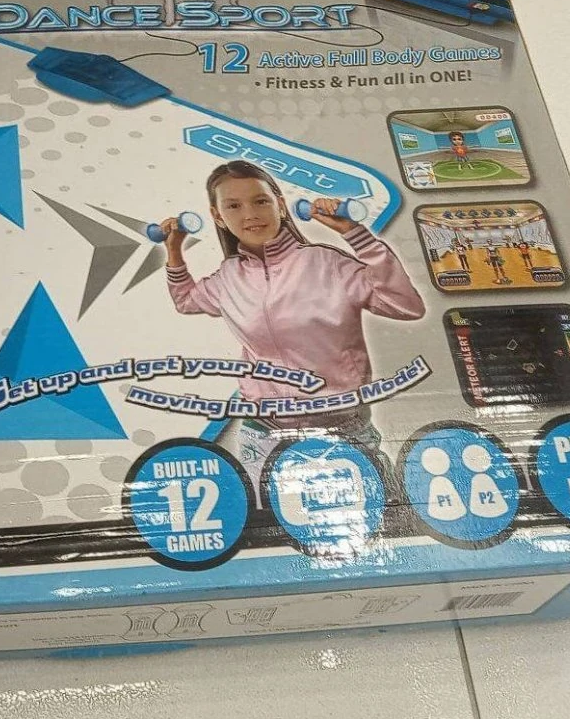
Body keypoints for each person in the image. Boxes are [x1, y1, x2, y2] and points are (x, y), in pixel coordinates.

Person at [159, 161, 425, 486]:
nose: (250, 214)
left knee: (379, 500)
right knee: (268, 512)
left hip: (340, 422)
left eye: (260, 201)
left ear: (280, 205)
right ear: (218, 216)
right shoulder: (228, 278)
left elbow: (405, 306)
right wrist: (174, 250)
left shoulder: (326, 263)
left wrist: (356, 235)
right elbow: (186, 301)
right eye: (233, 206)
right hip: (264, 429)